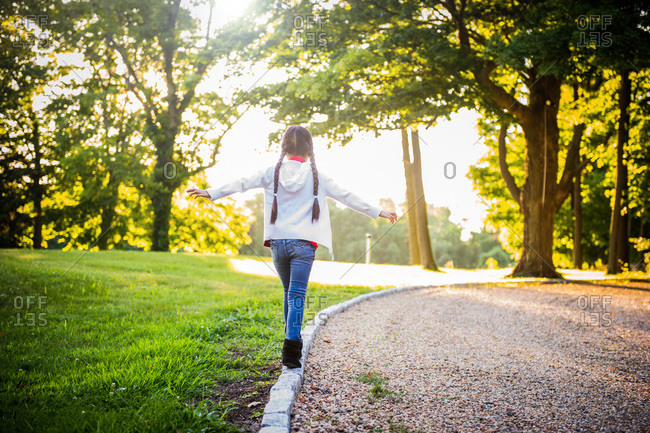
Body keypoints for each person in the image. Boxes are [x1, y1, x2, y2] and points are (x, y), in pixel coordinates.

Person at [186, 125, 397, 369]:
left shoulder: (271, 172)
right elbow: (347, 196)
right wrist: (378, 211)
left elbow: (241, 182)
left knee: (289, 294)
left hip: (278, 243)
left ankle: (290, 344)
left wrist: (210, 192)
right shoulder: (318, 176)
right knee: (296, 295)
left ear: (284, 148)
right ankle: (290, 350)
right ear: (310, 149)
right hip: (304, 245)